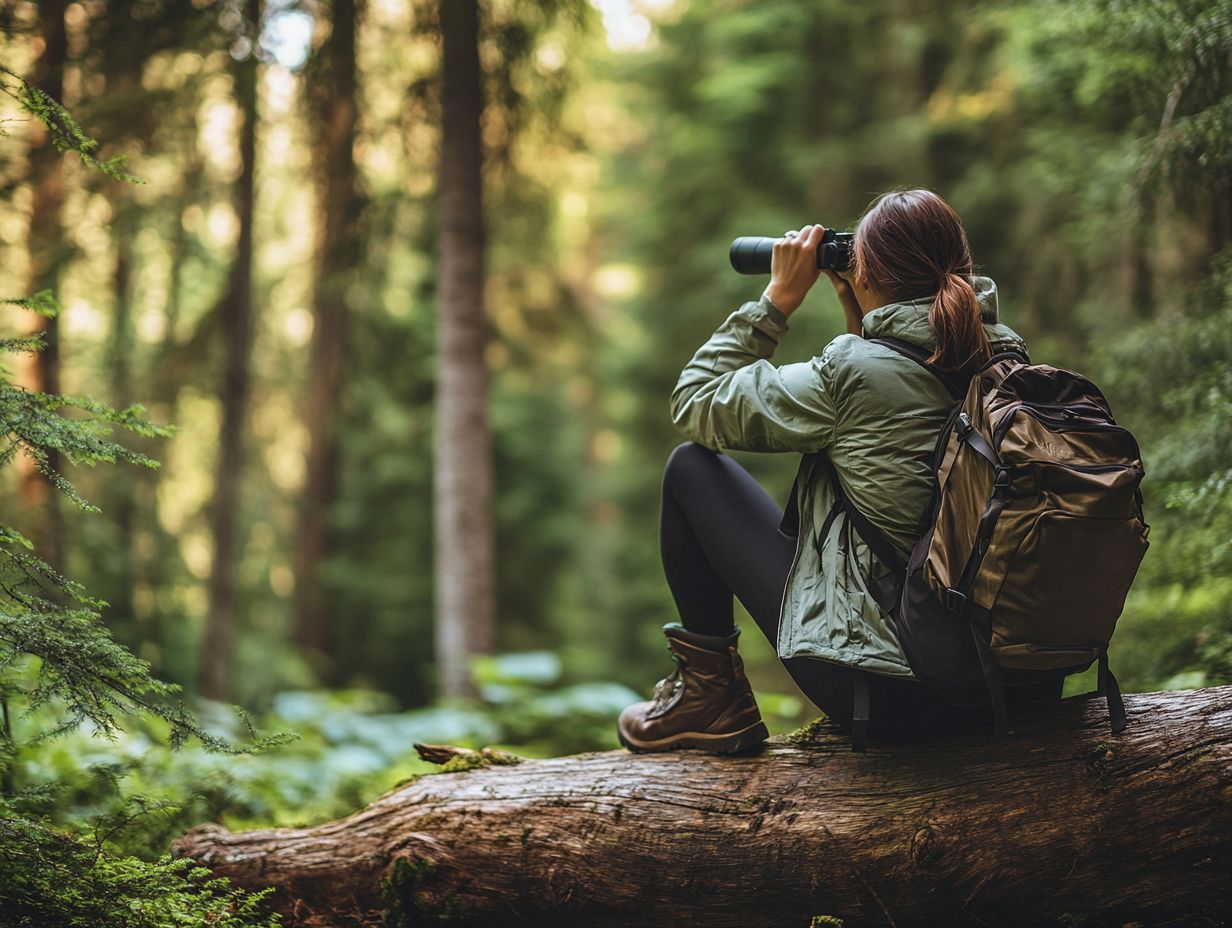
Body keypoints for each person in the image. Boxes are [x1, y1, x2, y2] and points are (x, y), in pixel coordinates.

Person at [616, 187, 1058, 755]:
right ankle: (709, 701)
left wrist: (775, 300)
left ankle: (711, 700)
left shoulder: (850, 375)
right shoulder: (1006, 356)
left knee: (690, 470)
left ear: (866, 273)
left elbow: (696, 403)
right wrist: (863, 315)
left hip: (897, 696)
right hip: (1018, 685)